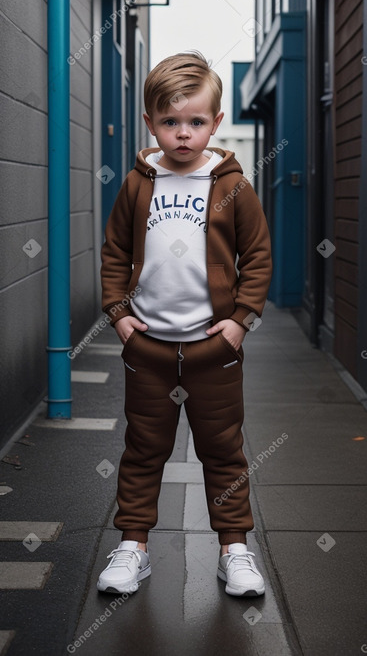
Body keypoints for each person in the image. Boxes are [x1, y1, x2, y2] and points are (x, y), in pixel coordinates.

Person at [97, 51, 272, 598]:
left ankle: (234, 550)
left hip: (212, 347)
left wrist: (240, 321)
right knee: (143, 448)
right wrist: (121, 318)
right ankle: (133, 547)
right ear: (150, 122)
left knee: (224, 451)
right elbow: (114, 253)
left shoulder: (232, 185)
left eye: (196, 122)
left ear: (215, 123)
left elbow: (258, 257)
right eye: (170, 122)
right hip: (147, 344)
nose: (182, 134)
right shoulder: (138, 183)